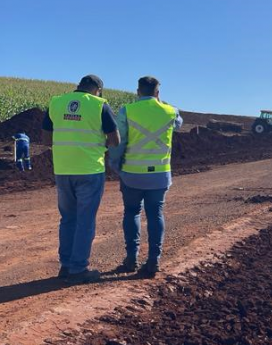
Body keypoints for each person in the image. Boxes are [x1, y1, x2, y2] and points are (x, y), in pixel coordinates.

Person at [43, 75, 120, 284]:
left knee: (68, 218)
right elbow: (115, 140)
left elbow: (45, 138)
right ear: (98, 89)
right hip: (89, 170)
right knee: (85, 220)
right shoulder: (99, 105)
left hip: (63, 169)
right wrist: (96, 142)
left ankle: (66, 265)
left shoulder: (56, 103)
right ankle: (79, 268)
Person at [108, 76, 182, 278]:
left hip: (132, 174)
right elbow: (178, 124)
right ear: (158, 92)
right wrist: (161, 103)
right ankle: (153, 261)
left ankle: (131, 258)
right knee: (155, 214)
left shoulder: (127, 111)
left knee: (131, 212)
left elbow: (118, 142)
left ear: (137, 91)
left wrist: (115, 164)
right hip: (159, 175)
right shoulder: (170, 111)